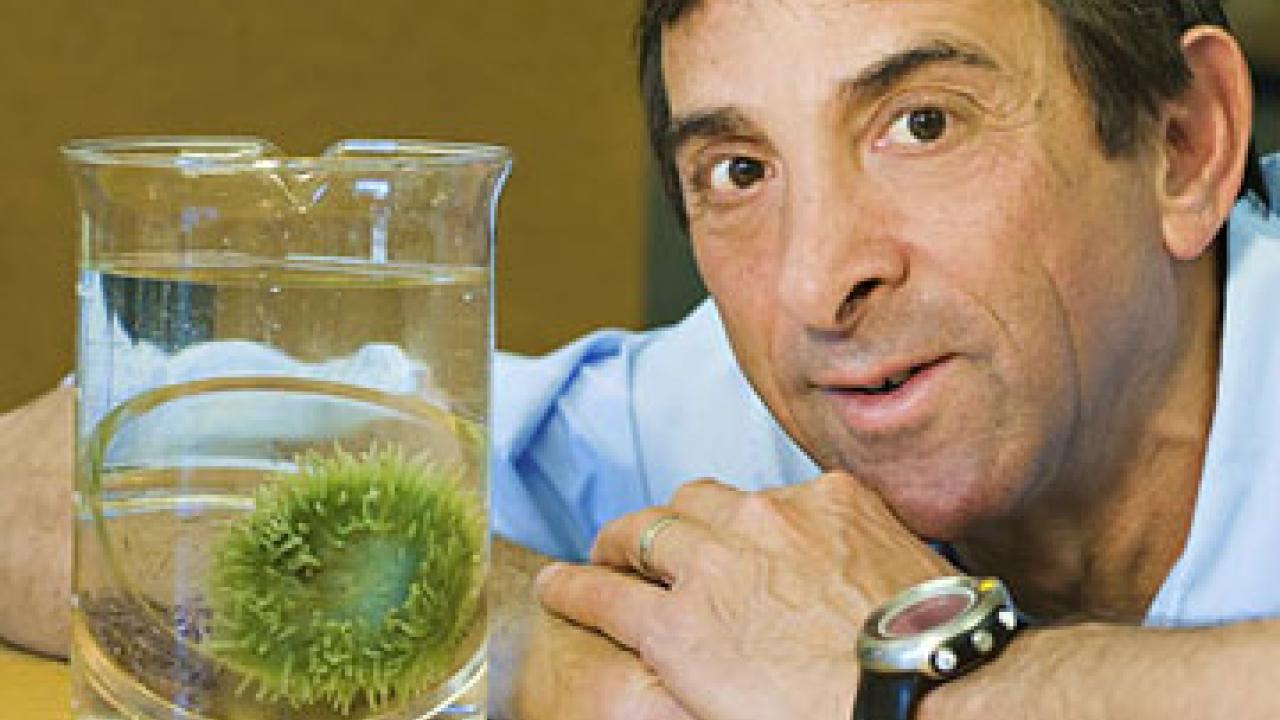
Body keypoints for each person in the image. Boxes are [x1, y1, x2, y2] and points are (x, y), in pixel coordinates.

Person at [2, 0, 1279, 718]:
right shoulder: (709, 416)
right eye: (737, 172)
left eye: (921, 124)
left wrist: (906, 689)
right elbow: (66, 469)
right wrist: (564, 667)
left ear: (1183, 145)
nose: (812, 282)